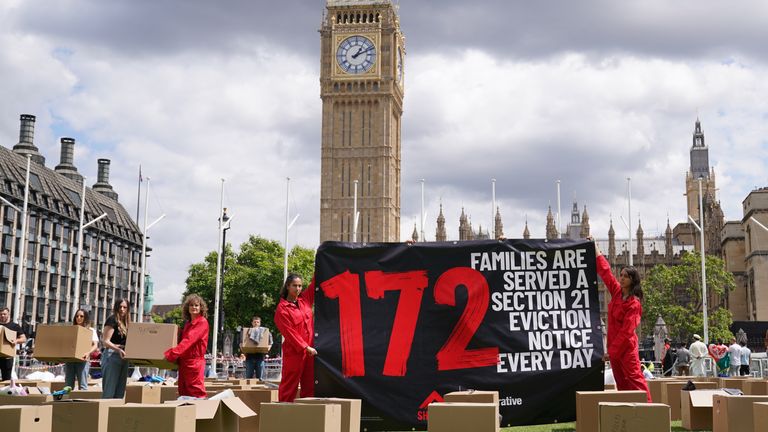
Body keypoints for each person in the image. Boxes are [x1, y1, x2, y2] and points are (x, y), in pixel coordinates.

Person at [591, 238, 651, 402]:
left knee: (634, 379)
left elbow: (626, 332)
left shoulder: (634, 304)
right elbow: (606, 273)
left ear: (632, 280)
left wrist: (611, 352)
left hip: (626, 348)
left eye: (625, 276)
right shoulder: (617, 293)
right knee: (622, 383)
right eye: (621, 275)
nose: (621, 278)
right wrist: (595, 248)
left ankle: (650, 410)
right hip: (614, 347)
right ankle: (630, 412)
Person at [274, 273, 316, 402]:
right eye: (294, 286)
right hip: (294, 353)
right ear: (287, 286)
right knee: (289, 386)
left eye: (300, 286)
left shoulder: (305, 300)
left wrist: (321, 260)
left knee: (309, 386)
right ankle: (283, 414)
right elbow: (290, 333)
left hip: (310, 352)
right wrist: (305, 346)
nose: (298, 289)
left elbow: (315, 284)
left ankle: (308, 415)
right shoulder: (282, 310)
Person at [164, 294, 209, 398]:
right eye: (191, 305)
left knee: (196, 391)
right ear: (187, 308)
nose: (194, 307)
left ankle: (201, 413)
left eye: (196, 305)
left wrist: (173, 353)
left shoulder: (202, 322)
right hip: (184, 362)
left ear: (201, 307)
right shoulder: (188, 324)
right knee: (183, 391)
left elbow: (189, 340)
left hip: (194, 362)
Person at [64, 309, 99, 390]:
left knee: (83, 385)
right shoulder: (72, 329)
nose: (78, 318)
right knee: (68, 385)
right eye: (77, 316)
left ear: (85, 318)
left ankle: (81, 401)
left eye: (81, 316)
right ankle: (66, 401)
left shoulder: (90, 330)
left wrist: (88, 353)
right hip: (70, 360)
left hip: (83, 359)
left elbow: (95, 345)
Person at [102, 299, 130, 399]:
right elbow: (105, 341)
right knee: (109, 391)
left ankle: (115, 413)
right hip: (112, 355)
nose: (122, 309)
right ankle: (104, 413)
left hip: (123, 356)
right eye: (120, 307)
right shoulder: (112, 319)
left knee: (120, 392)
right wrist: (117, 349)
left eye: (125, 307)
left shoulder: (126, 323)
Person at [0, 307, 26, 381]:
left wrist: (16, 341)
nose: (2, 316)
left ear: (8, 314)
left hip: (7, 357)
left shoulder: (14, 326)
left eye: (4, 314)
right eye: (1, 314)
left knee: (6, 379)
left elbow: (24, 339)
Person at [244, 316, 272, 380]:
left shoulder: (265, 331)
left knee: (260, 378)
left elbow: (271, 342)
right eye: (254, 322)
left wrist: (269, 347)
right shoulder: (247, 332)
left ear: (260, 323)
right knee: (248, 378)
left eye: (257, 322)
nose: (256, 323)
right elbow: (241, 343)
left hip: (260, 356)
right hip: (249, 357)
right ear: (252, 323)